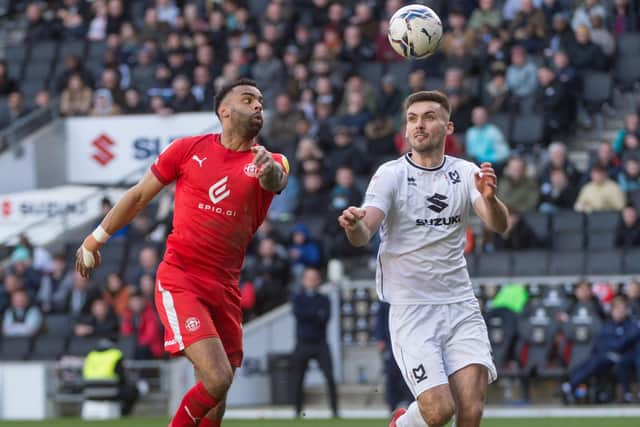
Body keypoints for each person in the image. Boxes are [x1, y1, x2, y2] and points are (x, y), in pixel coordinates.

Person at [75, 78, 289, 427]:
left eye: (261, 101)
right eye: (248, 99)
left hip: (226, 287)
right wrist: (94, 239)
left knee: (215, 402)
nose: (257, 106)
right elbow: (139, 195)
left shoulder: (270, 160)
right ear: (224, 111)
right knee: (217, 378)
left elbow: (276, 180)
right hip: (182, 278)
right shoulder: (188, 150)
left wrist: (271, 171)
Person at [339, 90, 508, 427]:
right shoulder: (391, 175)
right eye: (413, 119)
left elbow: (499, 225)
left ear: (448, 127)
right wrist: (354, 225)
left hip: (459, 304)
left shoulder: (465, 172)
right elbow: (364, 232)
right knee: (439, 410)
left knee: (471, 409)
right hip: (411, 309)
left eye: (429, 117)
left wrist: (490, 199)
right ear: (405, 130)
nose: (420, 125)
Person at [291, 267, 338, 418]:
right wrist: (315, 313)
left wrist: (311, 314)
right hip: (303, 343)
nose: (311, 281)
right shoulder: (297, 298)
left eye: (314, 278)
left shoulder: (325, 299)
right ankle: (297, 411)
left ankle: (335, 410)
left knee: (330, 377)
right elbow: (300, 315)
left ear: (318, 280)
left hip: (320, 344)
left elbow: (325, 318)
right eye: (308, 278)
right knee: (298, 378)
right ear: (303, 280)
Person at [82, 338, 139, 416]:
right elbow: (122, 378)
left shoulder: (91, 355)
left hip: (89, 392)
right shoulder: (115, 354)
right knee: (133, 390)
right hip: (110, 392)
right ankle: (124, 413)